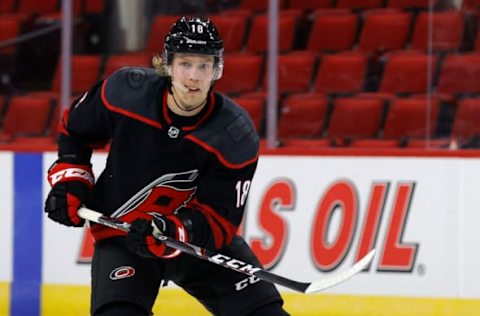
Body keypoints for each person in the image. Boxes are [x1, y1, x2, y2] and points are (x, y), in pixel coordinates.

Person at [44, 16, 289, 316]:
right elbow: (74, 131)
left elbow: (219, 221)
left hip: (197, 247)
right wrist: (72, 181)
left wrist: (173, 230)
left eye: (204, 66)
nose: (194, 77)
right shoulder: (124, 92)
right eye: (186, 64)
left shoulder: (234, 134)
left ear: (217, 70)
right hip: (124, 236)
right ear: (167, 65)